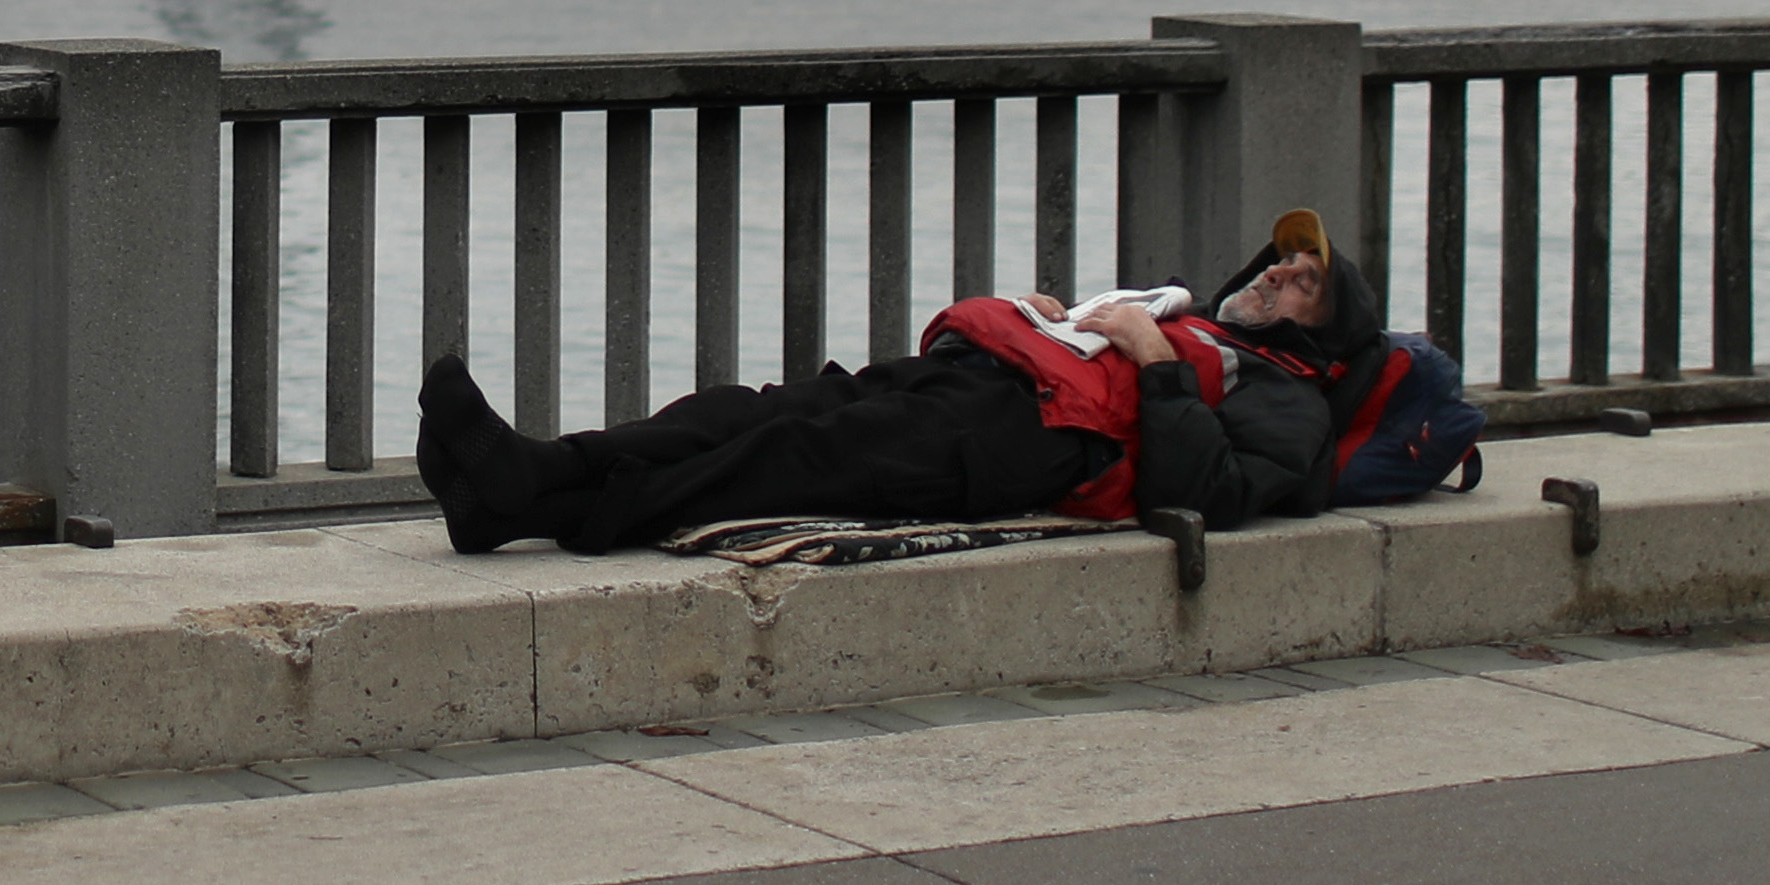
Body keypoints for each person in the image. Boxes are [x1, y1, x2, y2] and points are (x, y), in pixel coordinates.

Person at [416, 205, 1392, 556]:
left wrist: (1149, 358)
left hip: (1040, 443)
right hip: (986, 382)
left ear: (1327, 339)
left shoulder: (1287, 401)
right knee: (752, 410)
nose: (1273, 273)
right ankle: (530, 474)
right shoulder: (1186, 318)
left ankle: (537, 508)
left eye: (1301, 281)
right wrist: (1061, 318)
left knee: (793, 458)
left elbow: (1209, 492)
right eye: (1276, 260)